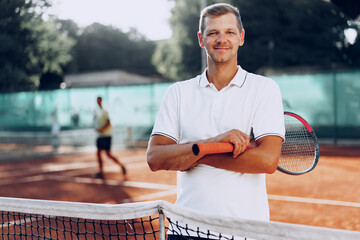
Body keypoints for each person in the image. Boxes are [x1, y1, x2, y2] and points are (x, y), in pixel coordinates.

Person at [147, 3, 285, 239]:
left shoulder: (264, 89)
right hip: (185, 231)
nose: (222, 39)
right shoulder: (178, 92)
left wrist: (194, 153)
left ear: (241, 37)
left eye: (229, 32)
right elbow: (155, 158)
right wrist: (215, 142)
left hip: (245, 233)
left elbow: (267, 160)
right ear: (201, 39)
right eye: (213, 33)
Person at [94, 96, 126, 179]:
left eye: (99, 100)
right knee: (98, 153)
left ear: (101, 101)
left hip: (106, 135)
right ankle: (101, 171)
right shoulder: (97, 111)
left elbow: (108, 123)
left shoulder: (105, 111)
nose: (98, 102)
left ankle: (121, 165)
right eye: (97, 101)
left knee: (108, 154)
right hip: (100, 136)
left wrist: (101, 129)